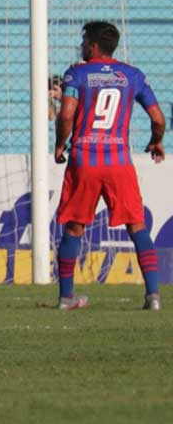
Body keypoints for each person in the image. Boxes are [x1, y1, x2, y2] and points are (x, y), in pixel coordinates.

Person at [54, 21, 165, 311]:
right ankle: (153, 296)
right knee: (137, 226)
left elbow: (66, 115)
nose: (81, 47)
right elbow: (158, 120)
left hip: (84, 159)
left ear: (92, 46)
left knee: (75, 227)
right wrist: (156, 142)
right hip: (118, 161)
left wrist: (59, 143)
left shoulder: (77, 72)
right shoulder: (132, 75)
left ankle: (67, 298)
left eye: (83, 42)